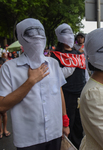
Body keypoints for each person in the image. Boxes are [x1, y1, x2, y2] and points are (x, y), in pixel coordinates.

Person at [0, 18, 70, 150]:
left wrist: (65, 121)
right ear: (20, 38)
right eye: (30, 33)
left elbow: (59, 92)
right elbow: (2, 105)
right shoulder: (9, 68)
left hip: (55, 133)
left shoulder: (53, 64)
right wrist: (30, 82)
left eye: (40, 32)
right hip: (28, 139)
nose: (36, 37)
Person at [51, 23, 87, 149]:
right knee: (67, 128)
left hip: (81, 94)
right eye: (66, 34)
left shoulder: (78, 53)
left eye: (71, 33)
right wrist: (71, 66)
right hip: (66, 96)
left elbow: (84, 73)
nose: (70, 36)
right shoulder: (54, 55)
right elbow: (55, 77)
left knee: (80, 126)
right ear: (60, 37)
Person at [0, 57, 11, 139]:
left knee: (4, 113)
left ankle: (5, 129)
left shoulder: (5, 73)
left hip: (3, 95)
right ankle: (0, 130)